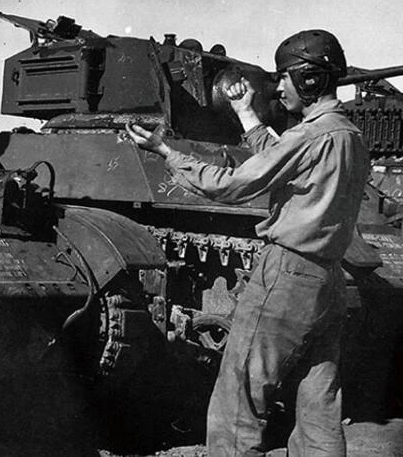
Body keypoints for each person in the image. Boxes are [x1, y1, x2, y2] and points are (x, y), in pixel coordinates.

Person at [127, 29, 368, 456]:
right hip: (328, 280)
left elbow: (233, 185)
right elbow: (285, 161)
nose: (278, 87)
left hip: (287, 275)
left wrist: (167, 152)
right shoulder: (348, 134)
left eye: (284, 77)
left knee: (239, 398)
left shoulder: (309, 136)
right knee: (318, 402)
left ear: (310, 79)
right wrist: (246, 115)